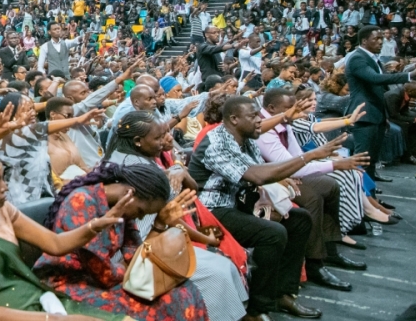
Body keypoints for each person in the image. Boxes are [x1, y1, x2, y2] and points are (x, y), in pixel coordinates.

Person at [189, 95, 349, 319]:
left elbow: (265, 172)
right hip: (211, 211)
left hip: (239, 204)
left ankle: (282, 294)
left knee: (299, 220)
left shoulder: (246, 139)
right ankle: (258, 308)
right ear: (234, 119)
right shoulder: (216, 143)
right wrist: (310, 156)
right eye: (253, 116)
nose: (259, 121)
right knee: (272, 234)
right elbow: (257, 175)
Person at [0, 150, 134, 321]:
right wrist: (51, 319)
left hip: (30, 295)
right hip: (6, 312)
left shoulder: (3, 210)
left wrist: (94, 226)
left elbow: (55, 244)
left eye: (3, 178)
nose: (5, 187)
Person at [104, 111, 249, 321]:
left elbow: (180, 201)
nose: (165, 141)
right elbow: (154, 225)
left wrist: (179, 168)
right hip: (132, 250)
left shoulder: (146, 159)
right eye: (158, 137)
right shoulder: (133, 170)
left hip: (153, 238)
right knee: (216, 274)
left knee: (223, 264)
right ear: (137, 141)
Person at [34, 161, 208, 320]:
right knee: (155, 306)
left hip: (97, 278)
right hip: (65, 281)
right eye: (141, 211)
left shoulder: (122, 208)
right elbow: (104, 274)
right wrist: (129, 270)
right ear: (129, 193)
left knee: (186, 291)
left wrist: (160, 223)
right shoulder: (81, 202)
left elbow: (136, 255)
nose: (139, 216)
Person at [256, 88, 368, 291]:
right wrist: (333, 164)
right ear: (272, 108)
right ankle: (315, 263)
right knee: (313, 198)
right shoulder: (265, 130)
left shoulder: (283, 122)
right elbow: (287, 164)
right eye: (289, 108)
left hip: (287, 174)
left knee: (331, 186)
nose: (295, 112)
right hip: (270, 180)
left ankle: (330, 248)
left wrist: (330, 162)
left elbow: (296, 159)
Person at [345, 25, 416, 180]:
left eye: (381, 39)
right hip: (364, 114)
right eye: (376, 39)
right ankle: (359, 198)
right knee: (362, 159)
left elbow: (384, 82)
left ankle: (370, 198)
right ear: (364, 41)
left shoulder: (373, 59)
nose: (381, 42)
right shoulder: (358, 58)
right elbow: (375, 79)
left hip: (375, 114)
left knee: (371, 160)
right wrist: (409, 75)